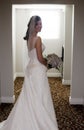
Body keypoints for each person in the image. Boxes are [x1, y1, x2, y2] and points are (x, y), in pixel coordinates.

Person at [0, 15, 58, 130]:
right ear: (34, 26)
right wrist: (49, 63)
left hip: (31, 69)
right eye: (39, 24)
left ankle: (30, 118)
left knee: (31, 96)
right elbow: (40, 58)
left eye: (41, 23)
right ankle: (40, 121)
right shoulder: (38, 38)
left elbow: (31, 56)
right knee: (40, 95)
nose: (41, 26)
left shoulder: (29, 38)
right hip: (38, 71)